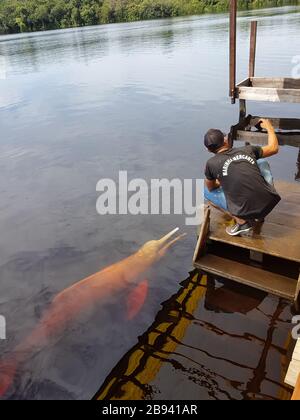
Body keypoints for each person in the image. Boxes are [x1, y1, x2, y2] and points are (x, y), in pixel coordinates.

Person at [204, 119, 281, 236]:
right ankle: (257, 216)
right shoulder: (247, 150)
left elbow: (211, 188)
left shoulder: (211, 164)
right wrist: (269, 127)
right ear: (225, 141)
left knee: (205, 191)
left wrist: (223, 181)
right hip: (269, 202)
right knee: (262, 162)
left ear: (208, 150)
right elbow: (274, 148)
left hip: (246, 207)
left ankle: (243, 222)